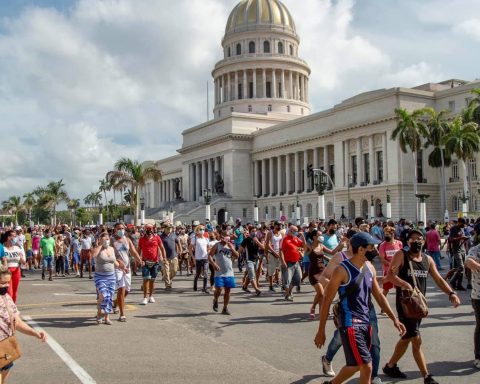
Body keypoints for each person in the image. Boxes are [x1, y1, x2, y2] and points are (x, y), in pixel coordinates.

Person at [315, 232, 406, 384]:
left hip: (366, 322)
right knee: (366, 366)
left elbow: (379, 296)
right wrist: (321, 330)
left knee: (358, 365)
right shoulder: (342, 270)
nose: (375, 250)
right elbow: (327, 301)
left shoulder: (369, 268)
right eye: (371, 247)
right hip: (350, 323)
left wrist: (394, 319)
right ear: (361, 250)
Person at [383, 229, 461, 384]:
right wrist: (404, 283)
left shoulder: (428, 259)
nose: (416, 241)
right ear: (407, 242)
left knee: (407, 337)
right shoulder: (401, 255)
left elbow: (439, 279)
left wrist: (451, 293)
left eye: (419, 239)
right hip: (405, 304)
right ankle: (426, 376)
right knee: (416, 338)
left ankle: (390, 366)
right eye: (412, 239)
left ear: (424, 241)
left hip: (418, 305)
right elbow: (391, 276)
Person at [0, 265, 47, 382]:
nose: (6, 286)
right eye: (2, 283)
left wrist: (35, 333)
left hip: (6, 346)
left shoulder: (7, 298)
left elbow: (18, 322)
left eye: (8, 282)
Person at [307, 229, 344, 319]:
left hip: (323, 271)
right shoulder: (309, 247)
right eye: (319, 235)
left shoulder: (321, 245)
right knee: (321, 293)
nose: (322, 236)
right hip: (314, 272)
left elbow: (332, 252)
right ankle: (313, 307)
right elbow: (303, 248)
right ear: (314, 237)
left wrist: (340, 245)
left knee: (322, 294)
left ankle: (321, 312)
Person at [112, 222, 141, 322]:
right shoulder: (111, 241)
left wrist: (140, 260)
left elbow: (133, 252)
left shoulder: (127, 240)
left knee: (127, 290)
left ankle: (115, 302)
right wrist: (116, 262)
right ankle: (122, 314)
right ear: (115, 229)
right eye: (118, 228)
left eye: (122, 228)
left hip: (127, 268)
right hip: (117, 268)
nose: (121, 230)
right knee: (121, 289)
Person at [93, 233, 123, 325]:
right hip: (100, 276)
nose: (107, 240)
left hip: (111, 276)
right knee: (103, 295)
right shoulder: (98, 249)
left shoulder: (111, 249)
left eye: (107, 239)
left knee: (109, 296)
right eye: (104, 239)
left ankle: (106, 317)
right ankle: (99, 313)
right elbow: (94, 255)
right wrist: (101, 245)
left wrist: (121, 267)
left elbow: (114, 261)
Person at [208, 231, 239, 315]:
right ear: (222, 236)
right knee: (219, 289)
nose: (228, 237)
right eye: (227, 235)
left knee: (228, 290)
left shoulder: (230, 245)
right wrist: (214, 264)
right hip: (219, 272)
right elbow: (210, 255)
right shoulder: (217, 245)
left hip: (229, 271)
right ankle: (215, 299)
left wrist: (232, 249)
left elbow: (237, 256)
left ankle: (225, 308)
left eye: (229, 235)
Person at [137, 224, 165, 305]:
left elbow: (162, 247)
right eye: (147, 229)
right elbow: (138, 250)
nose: (149, 231)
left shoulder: (157, 238)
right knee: (146, 280)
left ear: (153, 229)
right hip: (145, 262)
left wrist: (164, 257)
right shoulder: (142, 239)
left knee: (152, 280)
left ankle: (151, 296)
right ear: (145, 230)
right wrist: (137, 260)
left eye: (150, 229)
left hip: (155, 262)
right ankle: (145, 297)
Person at [378, 226, 403, 301]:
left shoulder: (399, 243)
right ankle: (383, 306)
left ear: (393, 234)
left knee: (400, 289)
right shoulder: (383, 245)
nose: (386, 236)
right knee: (386, 289)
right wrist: (392, 265)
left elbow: (402, 256)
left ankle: (402, 305)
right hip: (388, 271)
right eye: (385, 234)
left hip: (398, 271)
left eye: (388, 234)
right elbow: (382, 259)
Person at [280, 225, 305, 301]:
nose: (296, 232)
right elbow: (281, 251)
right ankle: (287, 295)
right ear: (290, 230)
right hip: (288, 262)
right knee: (288, 280)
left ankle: (289, 292)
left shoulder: (296, 238)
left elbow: (304, 246)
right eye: (295, 231)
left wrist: (303, 236)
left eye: (297, 231)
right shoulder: (284, 239)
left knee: (298, 279)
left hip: (296, 262)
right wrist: (283, 261)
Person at [0, 231, 25, 303]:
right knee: (9, 291)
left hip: (16, 270)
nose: (15, 238)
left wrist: (23, 260)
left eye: (15, 236)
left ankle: (13, 306)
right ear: (8, 237)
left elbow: (22, 261)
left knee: (14, 291)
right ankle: (8, 306)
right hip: (7, 272)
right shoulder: (2, 248)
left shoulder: (17, 248)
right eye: (13, 236)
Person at [466, 242, 480, 369]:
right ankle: (478, 357)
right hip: (478, 296)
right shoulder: (476, 250)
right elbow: (468, 262)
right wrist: (478, 266)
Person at [238, 226, 263, 296]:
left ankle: (245, 286)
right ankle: (256, 289)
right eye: (252, 231)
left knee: (250, 275)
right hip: (249, 260)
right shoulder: (246, 240)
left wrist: (257, 241)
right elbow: (239, 250)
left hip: (256, 260)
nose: (254, 233)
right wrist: (235, 255)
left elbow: (263, 247)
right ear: (249, 232)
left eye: (255, 231)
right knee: (252, 276)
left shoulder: (258, 239)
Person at [448, 218, 469, 290]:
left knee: (461, 269)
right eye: (463, 224)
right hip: (456, 250)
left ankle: (458, 284)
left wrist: (464, 239)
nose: (464, 225)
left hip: (462, 249)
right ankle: (452, 281)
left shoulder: (462, 229)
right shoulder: (453, 228)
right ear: (459, 222)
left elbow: (462, 238)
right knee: (461, 267)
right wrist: (461, 238)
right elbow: (451, 239)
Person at [190, 225, 210, 294]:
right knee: (198, 273)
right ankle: (195, 284)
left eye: (203, 229)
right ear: (197, 230)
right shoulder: (194, 239)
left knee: (205, 273)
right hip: (198, 259)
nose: (202, 230)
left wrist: (208, 253)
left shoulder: (206, 239)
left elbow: (208, 247)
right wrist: (193, 257)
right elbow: (190, 248)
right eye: (201, 229)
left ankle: (204, 288)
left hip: (205, 258)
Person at [160, 223, 181, 289]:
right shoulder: (161, 237)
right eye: (168, 228)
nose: (169, 229)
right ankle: (168, 284)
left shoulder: (174, 235)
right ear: (164, 229)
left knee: (174, 270)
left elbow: (178, 243)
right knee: (166, 271)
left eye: (170, 228)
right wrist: (160, 255)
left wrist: (180, 250)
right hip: (165, 257)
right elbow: (158, 246)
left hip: (174, 256)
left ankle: (169, 278)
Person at [265, 222, 284, 292]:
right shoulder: (270, 233)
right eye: (278, 225)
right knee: (271, 270)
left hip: (279, 253)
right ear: (275, 226)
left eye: (280, 225)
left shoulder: (281, 234)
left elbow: (282, 243)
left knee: (280, 269)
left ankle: (282, 284)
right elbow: (268, 244)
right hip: (272, 253)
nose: (279, 227)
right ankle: (271, 285)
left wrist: (281, 252)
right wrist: (273, 252)